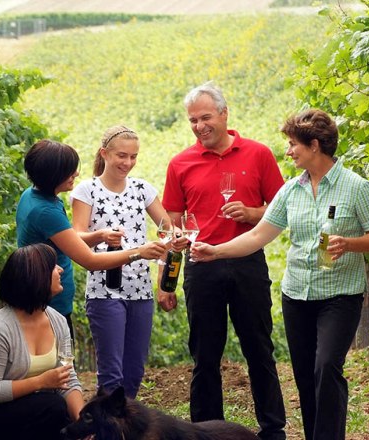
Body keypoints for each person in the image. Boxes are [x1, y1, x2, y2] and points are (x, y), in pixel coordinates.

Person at [191, 109, 369, 440]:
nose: (288, 150)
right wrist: (216, 251)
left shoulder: (356, 187)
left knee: (326, 366)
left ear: (313, 145)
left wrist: (350, 243)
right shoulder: (290, 191)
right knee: (305, 376)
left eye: (292, 144)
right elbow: (258, 235)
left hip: (340, 295)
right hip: (297, 295)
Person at [160, 82, 287, 439]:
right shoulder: (180, 163)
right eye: (192, 120)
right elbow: (171, 224)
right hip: (201, 266)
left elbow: (281, 209)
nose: (199, 126)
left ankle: (273, 430)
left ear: (224, 113)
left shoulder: (258, 154)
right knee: (205, 356)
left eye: (205, 117)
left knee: (259, 348)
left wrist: (251, 212)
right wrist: (166, 281)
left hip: (247, 261)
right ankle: (204, 432)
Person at [16, 139, 166, 338]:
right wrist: (138, 252)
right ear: (52, 175)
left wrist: (100, 235)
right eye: (69, 170)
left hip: (47, 299)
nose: (76, 173)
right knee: (60, 365)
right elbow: (91, 261)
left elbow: (67, 240)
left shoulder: (33, 195)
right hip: (48, 303)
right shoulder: (46, 211)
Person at [70, 125, 171, 399]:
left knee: (134, 372)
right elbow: (76, 236)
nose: (128, 163)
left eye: (133, 157)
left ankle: (125, 428)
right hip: (104, 291)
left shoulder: (143, 189)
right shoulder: (86, 190)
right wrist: (100, 234)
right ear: (105, 154)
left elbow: (168, 230)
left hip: (141, 290)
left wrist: (172, 251)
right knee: (112, 375)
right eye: (122, 156)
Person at [0, 243, 84, 440]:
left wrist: (84, 423)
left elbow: (68, 378)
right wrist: (41, 381)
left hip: (23, 408)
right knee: (53, 407)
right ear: (37, 276)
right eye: (53, 266)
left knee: (66, 422)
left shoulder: (58, 321)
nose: (60, 269)